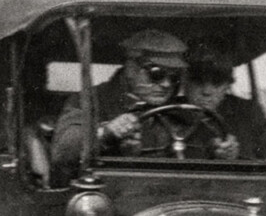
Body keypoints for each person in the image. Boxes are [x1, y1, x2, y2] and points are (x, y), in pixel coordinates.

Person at [49, 28, 188, 184]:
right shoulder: (91, 100)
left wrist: (217, 153)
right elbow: (64, 152)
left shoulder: (181, 110)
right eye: (157, 73)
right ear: (130, 68)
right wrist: (107, 133)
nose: (166, 84)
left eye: (174, 77)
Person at [183, 45, 266, 161]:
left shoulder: (247, 112)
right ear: (185, 82)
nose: (207, 91)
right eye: (198, 81)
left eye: (217, 83)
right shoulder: (166, 115)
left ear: (227, 86)